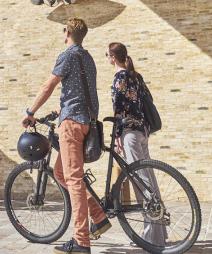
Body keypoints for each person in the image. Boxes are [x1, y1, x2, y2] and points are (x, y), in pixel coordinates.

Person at [22, 19, 111, 254]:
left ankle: (81, 241)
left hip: (71, 124)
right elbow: (83, 90)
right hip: (87, 122)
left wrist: (31, 112)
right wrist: (63, 106)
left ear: (67, 33)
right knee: (62, 174)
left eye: (64, 30)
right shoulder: (88, 58)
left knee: (74, 180)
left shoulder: (67, 55)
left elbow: (48, 86)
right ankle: (98, 216)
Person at [106, 42, 167, 247]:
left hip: (129, 134)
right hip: (142, 132)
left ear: (113, 57)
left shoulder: (119, 77)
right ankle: (159, 234)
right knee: (149, 178)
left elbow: (118, 110)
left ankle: (150, 237)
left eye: (107, 54)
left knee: (140, 182)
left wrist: (117, 137)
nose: (106, 58)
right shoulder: (136, 76)